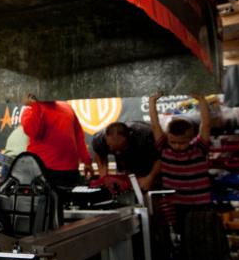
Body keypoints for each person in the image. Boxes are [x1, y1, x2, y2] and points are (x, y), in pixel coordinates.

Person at [146, 92, 215, 230]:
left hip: (200, 202)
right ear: (168, 138)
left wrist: (201, 99)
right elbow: (155, 125)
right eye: (173, 142)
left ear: (191, 138)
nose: (177, 146)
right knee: (178, 233)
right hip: (174, 202)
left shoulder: (199, 148)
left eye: (182, 142)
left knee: (201, 232)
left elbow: (206, 124)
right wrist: (152, 102)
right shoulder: (164, 148)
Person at [20, 95, 91, 187]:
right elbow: (34, 132)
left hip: (70, 171)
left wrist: (87, 161)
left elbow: (78, 137)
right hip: (44, 171)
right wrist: (36, 106)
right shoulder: (29, 111)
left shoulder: (67, 107)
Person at [91, 121, 159, 187]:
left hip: (144, 157)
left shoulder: (145, 137)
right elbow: (101, 159)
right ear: (106, 138)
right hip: (127, 163)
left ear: (129, 136)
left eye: (121, 147)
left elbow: (159, 159)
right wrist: (104, 178)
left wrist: (150, 177)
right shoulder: (99, 140)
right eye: (113, 149)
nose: (118, 152)